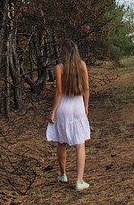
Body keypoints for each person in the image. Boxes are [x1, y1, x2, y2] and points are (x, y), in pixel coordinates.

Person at [46, 39, 90, 190]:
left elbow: (59, 92)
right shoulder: (82, 65)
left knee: (62, 142)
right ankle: (79, 180)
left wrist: (52, 111)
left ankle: (63, 174)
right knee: (80, 144)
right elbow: (86, 89)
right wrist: (86, 106)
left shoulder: (59, 68)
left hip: (63, 108)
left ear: (63, 53)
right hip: (78, 106)